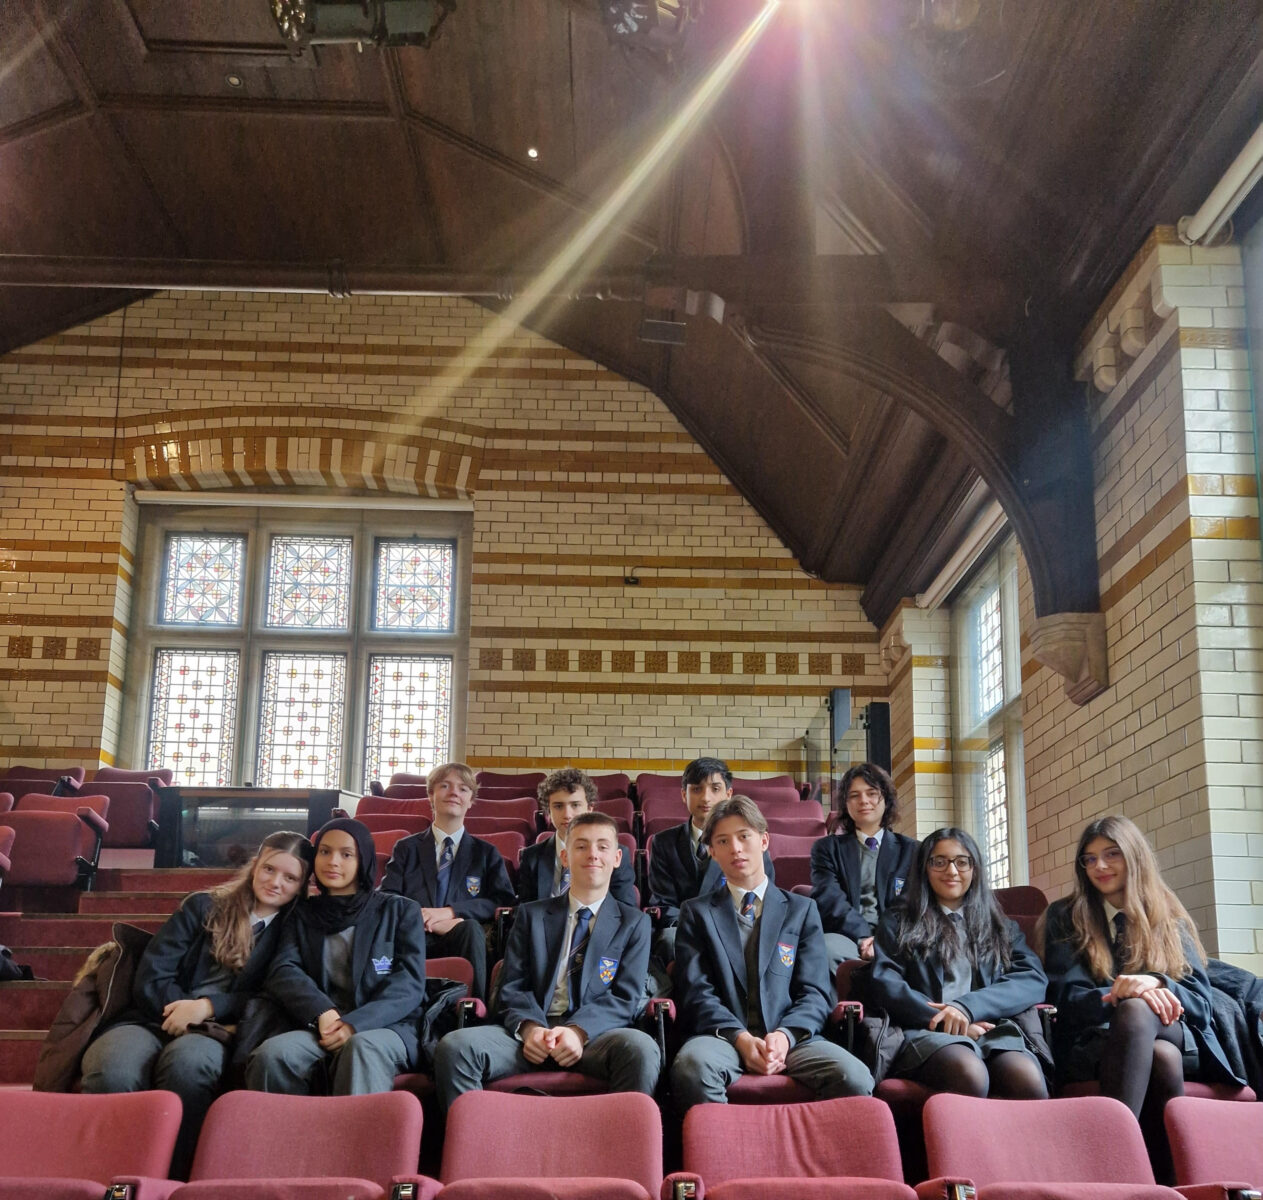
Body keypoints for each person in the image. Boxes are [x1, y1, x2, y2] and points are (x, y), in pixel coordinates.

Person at [80, 830, 312, 1176]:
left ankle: (173, 1177)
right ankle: (107, 1175)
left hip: (217, 1029)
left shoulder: (295, 931)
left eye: (290, 877)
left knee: (189, 1067)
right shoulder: (203, 906)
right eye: (268, 869)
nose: (276, 882)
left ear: (303, 884)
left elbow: (271, 997)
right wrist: (181, 1010)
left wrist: (207, 1007)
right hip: (150, 1017)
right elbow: (152, 975)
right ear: (255, 865)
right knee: (111, 1069)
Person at [434, 811, 659, 1108]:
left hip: (597, 1037)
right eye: (581, 846)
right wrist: (530, 1029)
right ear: (565, 857)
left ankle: (617, 1147)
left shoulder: (634, 923)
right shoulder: (531, 915)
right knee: (455, 1047)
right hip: (530, 1035)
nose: (593, 855)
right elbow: (512, 984)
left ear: (617, 858)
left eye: (602, 847)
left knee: (642, 1049)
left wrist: (577, 1032)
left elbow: (626, 996)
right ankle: (477, 1147)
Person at [670, 795, 874, 1109]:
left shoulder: (801, 910)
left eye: (744, 837)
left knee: (854, 1077)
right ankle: (724, 1155)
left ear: (764, 840)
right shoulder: (696, 914)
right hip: (722, 1037)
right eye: (723, 841)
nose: (736, 848)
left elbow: (815, 990)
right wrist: (739, 1038)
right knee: (692, 1067)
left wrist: (784, 1036)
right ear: (712, 851)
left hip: (792, 1038)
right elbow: (696, 993)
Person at [1039, 815, 1243, 1121]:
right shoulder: (1066, 916)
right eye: (1090, 859)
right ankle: (1167, 1168)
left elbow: (1201, 1005)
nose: (1100, 867)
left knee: (1139, 1011)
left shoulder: (1167, 914)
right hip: (1095, 1040)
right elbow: (1068, 1000)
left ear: (1134, 857)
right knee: (1162, 1056)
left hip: (1177, 1032)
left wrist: (1157, 985)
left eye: (1112, 854)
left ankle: (1112, 1149)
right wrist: (1124, 994)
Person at [862, 827, 1050, 1098]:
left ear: (975, 869)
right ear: (924, 868)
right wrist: (945, 1020)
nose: (951, 871)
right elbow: (886, 984)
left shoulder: (1000, 927)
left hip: (990, 1027)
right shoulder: (898, 923)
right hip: (924, 1029)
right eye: (939, 861)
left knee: (1026, 1078)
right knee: (968, 1072)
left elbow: (1031, 978)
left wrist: (967, 1009)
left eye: (962, 862)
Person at [246, 817, 427, 1096]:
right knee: (273, 1055)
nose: (333, 861)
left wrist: (356, 1024)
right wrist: (322, 1012)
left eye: (346, 854)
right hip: (322, 1025)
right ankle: (280, 1139)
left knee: (360, 1048)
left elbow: (409, 984)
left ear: (363, 860)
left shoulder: (400, 910)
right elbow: (284, 969)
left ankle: (352, 1141)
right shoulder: (302, 912)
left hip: (385, 1027)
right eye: (325, 851)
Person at [380, 761, 514, 999]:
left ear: (471, 800)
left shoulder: (486, 853)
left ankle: (476, 1009)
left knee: (470, 929)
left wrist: (449, 913)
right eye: (445, 786)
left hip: (461, 937)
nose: (454, 792)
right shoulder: (407, 848)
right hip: (413, 933)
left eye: (463, 788)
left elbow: (501, 899)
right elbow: (387, 895)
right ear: (431, 795)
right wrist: (422, 917)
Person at [646, 757, 774, 963]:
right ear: (683, 795)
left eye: (715, 789)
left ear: (728, 794)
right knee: (669, 940)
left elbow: (761, 897)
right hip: (686, 928)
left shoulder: (748, 842)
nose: (706, 798)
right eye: (696, 789)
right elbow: (664, 903)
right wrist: (698, 927)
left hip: (737, 925)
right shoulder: (663, 842)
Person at [810, 762, 917, 969]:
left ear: (886, 798)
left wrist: (883, 940)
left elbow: (909, 904)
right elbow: (829, 899)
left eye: (872, 793)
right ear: (845, 803)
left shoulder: (911, 851)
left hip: (898, 937)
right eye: (854, 795)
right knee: (825, 948)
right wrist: (863, 937)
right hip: (848, 937)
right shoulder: (827, 849)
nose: (864, 801)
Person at [517, 767, 635, 906]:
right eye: (558, 806)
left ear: (589, 808)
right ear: (548, 812)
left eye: (575, 805)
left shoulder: (612, 854)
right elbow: (525, 911)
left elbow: (625, 908)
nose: (567, 814)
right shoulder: (532, 856)